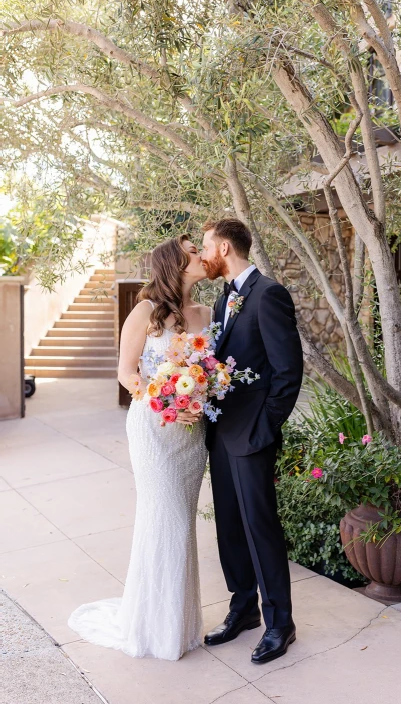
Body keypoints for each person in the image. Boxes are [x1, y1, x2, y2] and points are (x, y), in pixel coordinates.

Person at [68, 236, 210, 661]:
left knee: (181, 522)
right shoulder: (145, 312)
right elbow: (126, 374)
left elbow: (210, 370)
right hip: (152, 428)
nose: (201, 255)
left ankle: (178, 624)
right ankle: (152, 628)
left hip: (191, 437)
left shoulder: (205, 314)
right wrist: (169, 401)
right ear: (174, 262)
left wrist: (202, 395)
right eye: (192, 250)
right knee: (161, 517)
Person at [200, 218, 303, 664]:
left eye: (205, 247)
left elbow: (287, 373)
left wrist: (265, 430)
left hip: (252, 436)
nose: (202, 256)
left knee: (261, 528)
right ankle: (243, 609)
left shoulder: (268, 294)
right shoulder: (224, 298)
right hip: (221, 433)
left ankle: (280, 623)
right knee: (229, 528)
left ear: (224, 247)